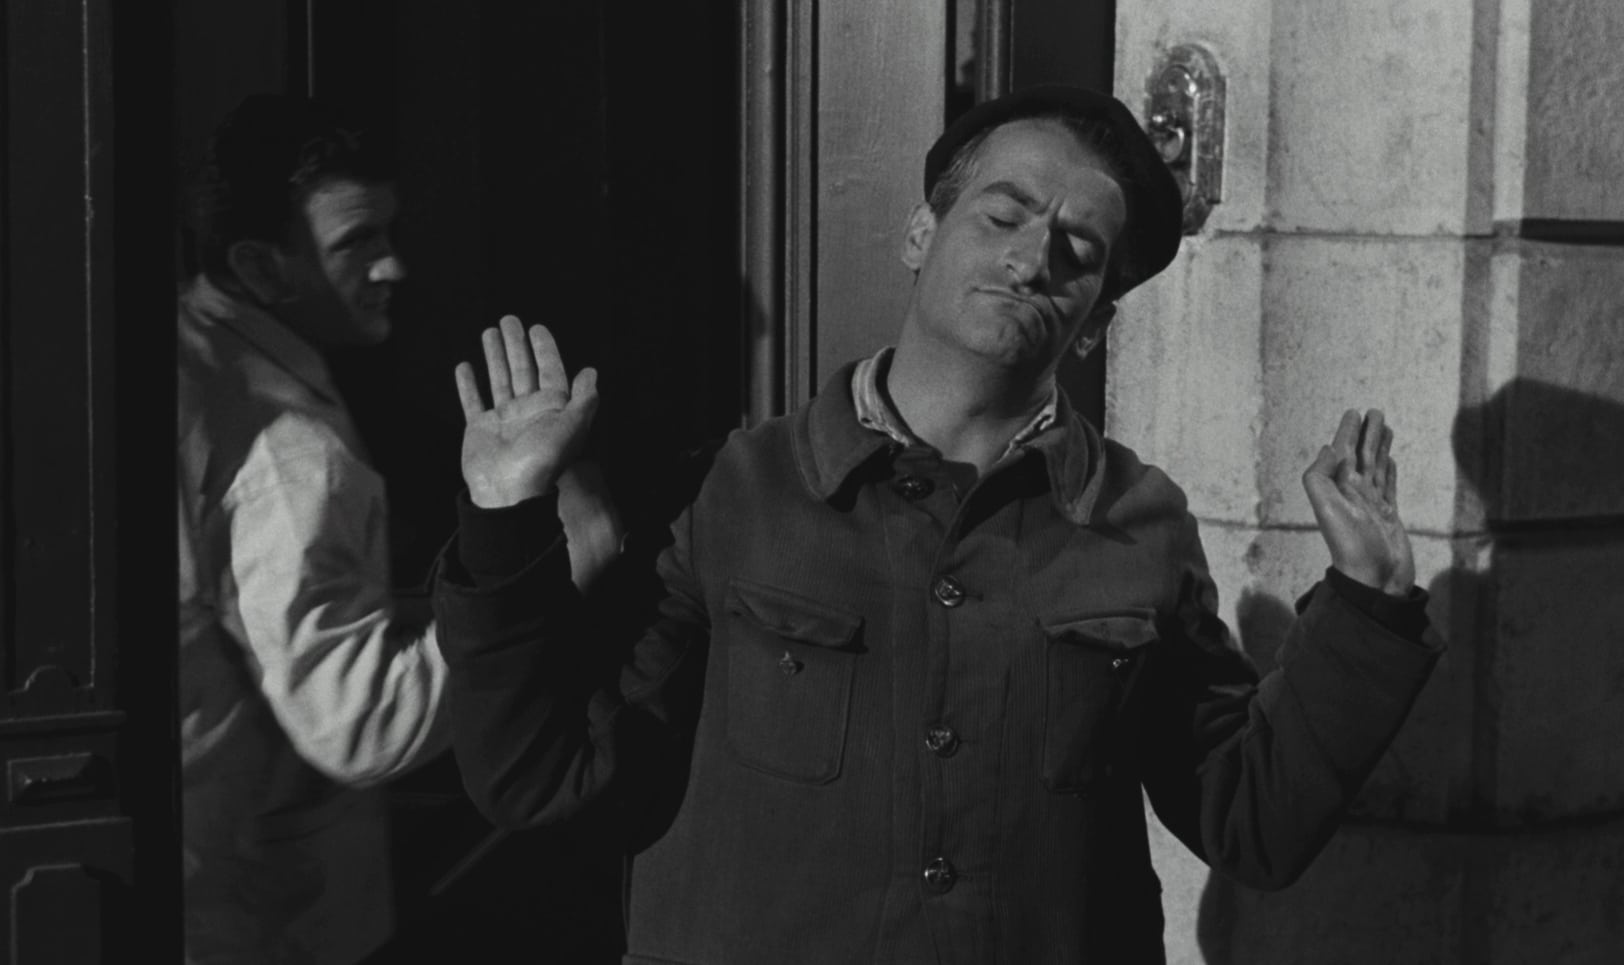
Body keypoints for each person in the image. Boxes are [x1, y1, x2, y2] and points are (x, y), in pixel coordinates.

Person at [432, 85, 1443, 964]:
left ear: (1094, 320)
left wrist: (1369, 605)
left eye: (1078, 251)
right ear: (920, 233)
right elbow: (542, 777)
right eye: (1003, 215)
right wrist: (502, 518)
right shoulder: (735, 493)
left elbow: (1255, 820)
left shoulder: (1140, 524)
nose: (1032, 258)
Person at [177, 94, 450, 965]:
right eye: (357, 242)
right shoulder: (292, 455)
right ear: (259, 265)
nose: (394, 266)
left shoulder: (184, 348)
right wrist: (539, 597)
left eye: (390, 231)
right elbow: (362, 724)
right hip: (263, 918)